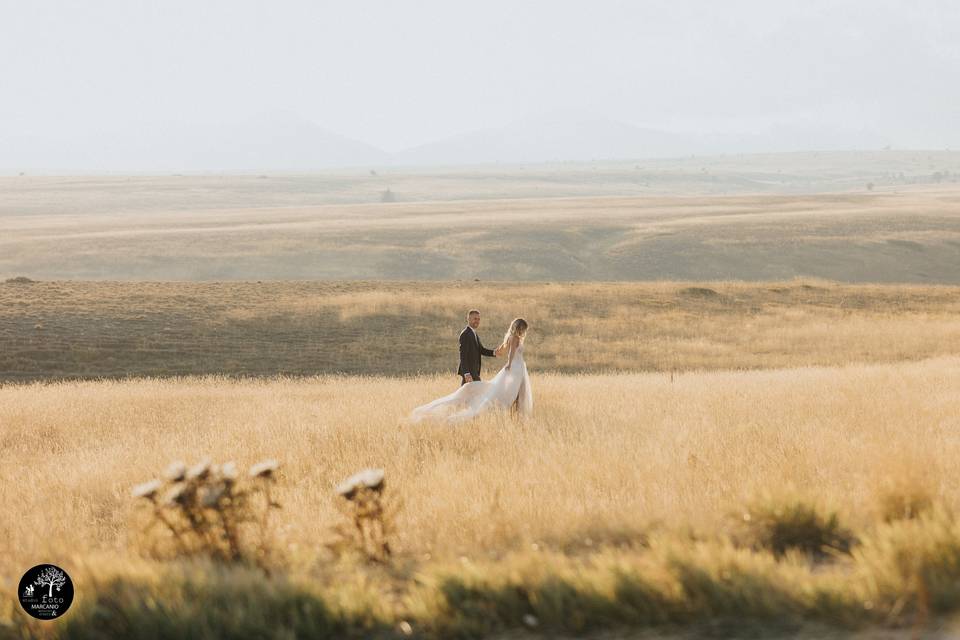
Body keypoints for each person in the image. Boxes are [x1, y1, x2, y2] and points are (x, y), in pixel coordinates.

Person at [409, 318, 533, 425]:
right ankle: (515, 415)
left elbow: (502, 348)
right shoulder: (515, 338)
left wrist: (496, 352)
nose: (524, 332)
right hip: (515, 368)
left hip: (518, 368)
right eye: (524, 329)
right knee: (511, 394)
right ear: (520, 328)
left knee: (511, 392)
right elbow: (511, 352)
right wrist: (509, 363)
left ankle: (516, 415)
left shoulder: (510, 337)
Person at [457, 309, 502, 385]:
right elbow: (463, 355)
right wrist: (466, 373)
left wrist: (495, 352)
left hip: (474, 372)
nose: (477, 321)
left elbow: (481, 350)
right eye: (475, 319)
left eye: (478, 319)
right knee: (470, 395)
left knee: (469, 396)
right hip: (470, 374)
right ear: (468, 319)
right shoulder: (465, 334)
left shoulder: (473, 333)